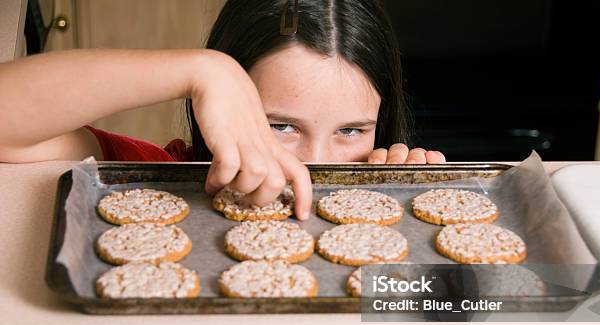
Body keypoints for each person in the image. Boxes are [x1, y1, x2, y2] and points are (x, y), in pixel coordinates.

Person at [0, 0, 445, 220]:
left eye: (351, 131)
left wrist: (405, 208)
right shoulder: (155, 175)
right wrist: (200, 71)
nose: (311, 165)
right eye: (281, 125)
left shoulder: (388, 194)